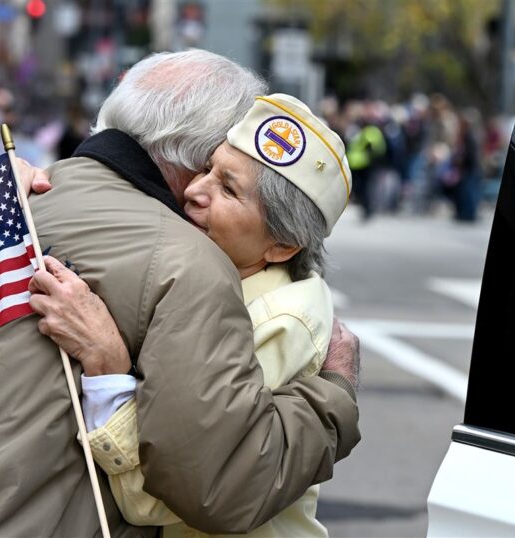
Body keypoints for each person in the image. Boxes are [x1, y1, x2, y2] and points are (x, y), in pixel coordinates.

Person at [0, 50, 359, 537]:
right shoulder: (186, 264)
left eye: (230, 183)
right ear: (201, 154)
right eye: (213, 168)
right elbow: (216, 485)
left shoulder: (4, 195)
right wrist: (336, 393)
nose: (204, 194)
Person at [29, 93, 353, 537]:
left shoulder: (279, 318)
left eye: (229, 189)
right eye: (207, 169)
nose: (195, 192)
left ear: (282, 246)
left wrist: (108, 364)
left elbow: (165, 497)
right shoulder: (206, 270)